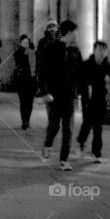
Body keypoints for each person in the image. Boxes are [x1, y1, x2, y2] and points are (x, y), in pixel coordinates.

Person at [37, 19, 83, 170]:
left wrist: (81, 92)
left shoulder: (75, 50)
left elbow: (80, 73)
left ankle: (64, 160)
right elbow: (42, 71)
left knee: (68, 129)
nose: (77, 36)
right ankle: (48, 144)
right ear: (69, 33)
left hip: (70, 95)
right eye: (75, 33)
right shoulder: (52, 47)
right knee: (54, 125)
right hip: (54, 94)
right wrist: (44, 92)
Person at [77, 41, 110, 162]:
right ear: (94, 51)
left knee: (98, 127)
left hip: (100, 99)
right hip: (88, 99)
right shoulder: (86, 64)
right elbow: (81, 81)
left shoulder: (108, 66)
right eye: (99, 50)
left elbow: (109, 82)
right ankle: (81, 143)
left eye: (104, 50)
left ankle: (96, 152)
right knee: (87, 124)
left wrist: (108, 81)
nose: (101, 53)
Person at [12, 34, 36, 130]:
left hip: (31, 79)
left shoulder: (32, 52)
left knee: (29, 102)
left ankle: (27, 120)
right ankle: (24, 121)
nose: (26, 44)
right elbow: (18, 62)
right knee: (23, 101)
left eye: (27, 42)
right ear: (20, 43)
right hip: (22, 80)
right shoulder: (19, 52)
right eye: (24, 42)